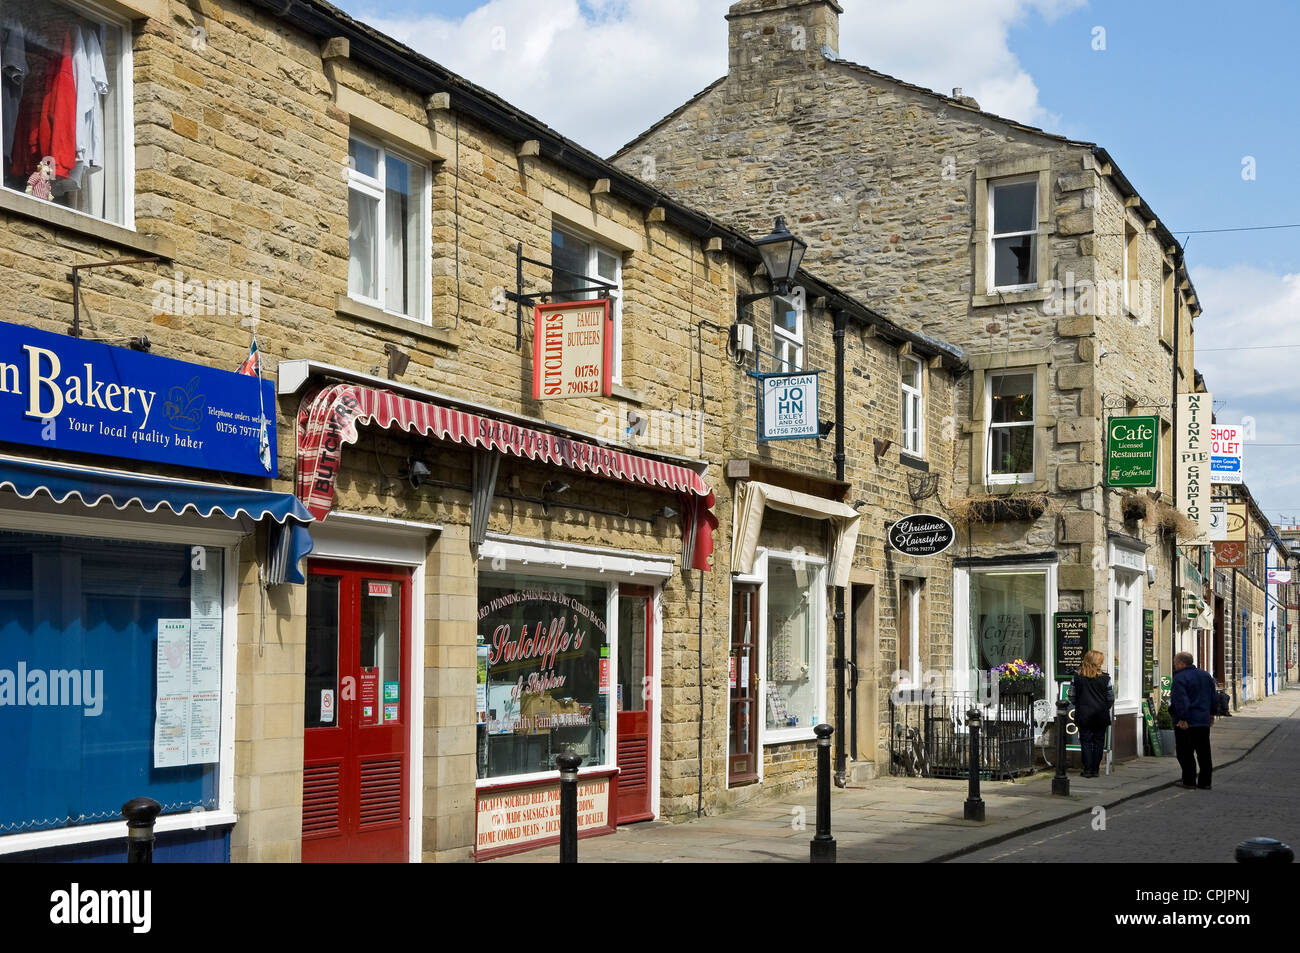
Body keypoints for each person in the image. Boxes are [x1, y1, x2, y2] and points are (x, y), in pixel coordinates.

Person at [1170, 652, 1217, 790]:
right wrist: (1212, 713)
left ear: (1180, 663)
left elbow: (1181, 700)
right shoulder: (1205, 675)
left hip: (1187, 722)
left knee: (1185, 752)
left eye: (1175, 663)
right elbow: (1213, 697)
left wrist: (1183, 718)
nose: (1174, 665)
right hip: (1203, 720)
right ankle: (1205, 782)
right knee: (1204, 752)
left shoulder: (1180, 678)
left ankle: (1189, 781)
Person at [1069, 649, 1113, 778]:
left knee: (1086, 742)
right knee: (1099, 742)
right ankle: (1095, 769)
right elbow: (1110, 697)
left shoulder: (1077, 676)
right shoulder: (1105, 678)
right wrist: (1105, 707)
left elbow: (1071, 695)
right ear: (1097, 662)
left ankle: (1087, 769)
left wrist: (1079, 704)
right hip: (1101, 714)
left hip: (1084, 714)